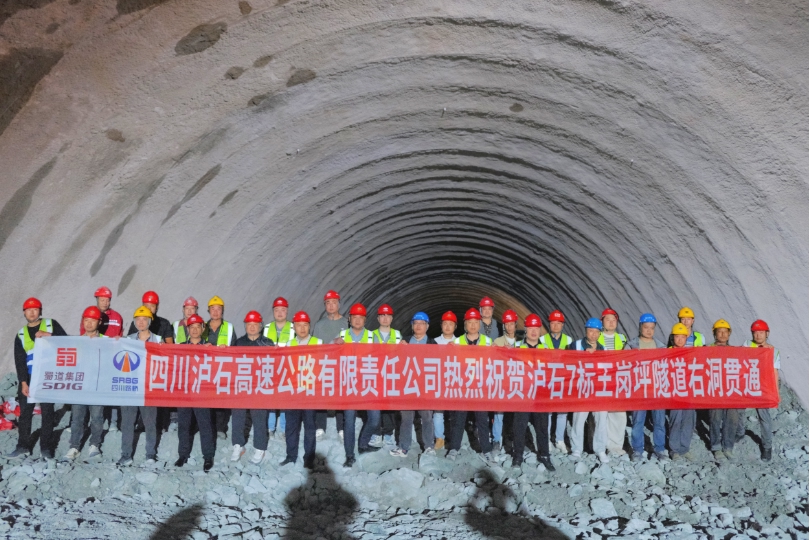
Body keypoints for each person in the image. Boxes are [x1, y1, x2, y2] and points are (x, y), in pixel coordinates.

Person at [9, 297, 67, 459]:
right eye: (29, 310)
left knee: (47, 413)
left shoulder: (50, 324)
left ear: (40, 311)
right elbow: (20, 360)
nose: (32, 312)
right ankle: (23, 446)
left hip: (48, 376)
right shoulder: (21, 334)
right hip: (29, 378)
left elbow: (67, 341)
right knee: (25, 414)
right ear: (24, 312)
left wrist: (50, 335)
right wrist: (23, 383)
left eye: (35, 309)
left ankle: (45, 448)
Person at [336, 303, 380, 467]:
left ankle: (363, 444)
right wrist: (334, 343)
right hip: (349, 383)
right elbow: (331, 355)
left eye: (360, 318)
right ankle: (349, 455)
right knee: (349, 421)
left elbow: (381, 357)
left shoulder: (372, 337)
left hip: (368, 382)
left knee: (374, 419)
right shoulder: (341, 336)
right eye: (355, 317)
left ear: (365, 320)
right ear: (350, 319)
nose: (357, 320)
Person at [447, 308, 494, 462]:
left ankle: (486, 450)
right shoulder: (456, 342)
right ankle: (454, 448)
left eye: (475, 322)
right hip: (463, 387)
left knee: (482, 420)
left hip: (480, 387)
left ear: (479, 324)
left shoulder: (488, 342)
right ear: (465, 324)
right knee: (459, 419)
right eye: (470, 322)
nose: (473, 325)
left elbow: (496, 361)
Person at [118, 306, 161, 467]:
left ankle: (150, 454)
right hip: (130, 387)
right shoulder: (127, 340)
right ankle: (126, 455)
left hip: (149, 388)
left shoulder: (158, 340)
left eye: (144, 319)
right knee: (127, 423)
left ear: (150, 321)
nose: (141, 322)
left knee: (150, 423)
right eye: (138, 319)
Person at [279, 311, 322, 469]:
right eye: (299, 325)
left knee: (309, 427)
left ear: (309, 326)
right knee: (291, 426)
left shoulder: (318, 343)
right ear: (294, 327)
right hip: (293, 392)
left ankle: (309, 458)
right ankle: (291, 456)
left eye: (305, 325)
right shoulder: (289, 344)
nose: (302, 328)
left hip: (310, 391)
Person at [231, 310, 274, 465]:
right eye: (249, 324)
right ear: (245, 326)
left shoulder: (267, 343)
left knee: (259, 417)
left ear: (260, 326)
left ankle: (260, 447)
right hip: (242, 386)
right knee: (238, 416)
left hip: (260, 387)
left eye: (255, 324)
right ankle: (238, 445)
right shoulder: (239, 343)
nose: (252, 327)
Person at [65, 306, 108, 462]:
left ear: (99, 322)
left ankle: (94, 444)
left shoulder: (107, 341)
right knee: (77, 418)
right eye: (86, 320)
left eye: (93, 320)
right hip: (80, 387)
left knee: (97, 417)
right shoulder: (76, 342)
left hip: (97, 387)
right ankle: (74, 446)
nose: (89, 323)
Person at [512, 313, 554, 471]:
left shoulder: (546, 349)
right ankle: (518, 456)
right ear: (526, 329)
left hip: (540, 395)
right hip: (523, 394)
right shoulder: (517, 348)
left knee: (542, 427)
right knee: (519, 426)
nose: (534, 331)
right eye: (531, 328)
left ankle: (545, 455)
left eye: (536, 328)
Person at [174, 314, 216, 471]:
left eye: (198, 327)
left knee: (205, 425)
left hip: (202, 393)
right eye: (192, 327)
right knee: (183, 425)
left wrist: (218, 350)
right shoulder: (180, 347)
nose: (195, 330)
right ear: (188, 329)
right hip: (185, 392)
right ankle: (183, 454)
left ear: (203, 329)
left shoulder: (209, 347)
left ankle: (208, 456)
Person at [390, 312, 434, 458]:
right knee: (406, 418)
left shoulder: (432, 344)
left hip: (425, 387)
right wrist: (399, 348)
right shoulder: (405, 341)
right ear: (412, 326)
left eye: (422, 323)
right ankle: (403, 447)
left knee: (427, 418)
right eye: (416, 323)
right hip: (407, 385)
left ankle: (429, 446)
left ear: (427, 326)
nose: (418, 326)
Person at [626, 313, 667, 462]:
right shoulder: (631, 346)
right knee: (638, 421)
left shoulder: (661, 347)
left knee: (659, 422)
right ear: (640, 327)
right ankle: (637, 450)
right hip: (639, 390)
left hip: (656, 389)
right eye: (646, 327)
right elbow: (624, 366)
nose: (649, 331)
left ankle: (659, 449)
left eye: (652, 328)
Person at [567, 317, 608, 462]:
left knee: (601, 420)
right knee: (578, 420)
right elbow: (568, 363)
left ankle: (600, 449)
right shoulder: (576, 345)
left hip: (598, 390)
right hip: (582, 389)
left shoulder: (603, 349)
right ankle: (576, 449)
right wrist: (584, 355)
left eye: (597, 332)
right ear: (586, 331)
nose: (594, 334)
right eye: (591, 331)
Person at [739, 319, 780, 461]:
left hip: (763, 388)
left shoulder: (773, 351)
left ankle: (767, 447)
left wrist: (775, 393)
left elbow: (775, 372)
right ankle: (739, 433)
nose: (758, 335)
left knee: (764, 417)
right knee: (738, 410)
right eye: (755, 332)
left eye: (761, 332)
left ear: (767, 333)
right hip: (747, 384)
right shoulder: (747, 344)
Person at [312, 290, 347, 441]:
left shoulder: (346, 323)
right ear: (325, 306)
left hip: (341, 365)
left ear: (339, 305)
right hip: (324, 365)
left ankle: (341, 428)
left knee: (341, 397)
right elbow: (315, 345)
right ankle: (320, 427)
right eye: (328, 303)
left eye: (334, 302)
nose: (331, 306)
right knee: (322, 396)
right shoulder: (320, 325)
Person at [205, 295, 236, 440]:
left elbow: (235, 348)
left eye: (218, 309)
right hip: (206, 368)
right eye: (213, 309)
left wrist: (227, 349)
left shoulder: (229, 327)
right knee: (207, 398)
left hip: (224, 368)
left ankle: (221, 428)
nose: (215, 312)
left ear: (222, 311)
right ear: (209, 311)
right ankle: (208, 427)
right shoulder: (202, 327)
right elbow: (195, 343)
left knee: (222, 399)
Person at [167, 296, 199, 433]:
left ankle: (193, 422)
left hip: (195, 364)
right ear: (183, 309)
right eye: (187, 309)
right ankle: (174, 419)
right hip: (180, 364)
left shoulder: (200, 324)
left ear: (196, 310)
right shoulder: (175, 325)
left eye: (192, 309)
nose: (189, 311)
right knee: (177, 391)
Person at [599, 308, 628, 457]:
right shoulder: (596, 337)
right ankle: (600, 444)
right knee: (601, 414)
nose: (611, 322)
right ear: (602, 322)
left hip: (617, 379)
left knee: (619, 414)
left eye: (613, 320)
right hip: (601, 379)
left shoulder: (622, 339)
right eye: (607, 320)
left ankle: (616, 445)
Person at [708, 319, 739, 462]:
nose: (722, 334)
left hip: (731, 390)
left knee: (731, 419)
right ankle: (716, 447)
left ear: (729, 334)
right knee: (715, 419)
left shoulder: (735, 351)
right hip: (715, 390)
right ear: (714, 333)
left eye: (725, 332)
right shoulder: (707, 350)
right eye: (719, 332)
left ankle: (728, 447)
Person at [372, 304, 402, 448]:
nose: (385, 318)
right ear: (378, 318)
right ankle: (376, 433)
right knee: (375, 405)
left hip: (391, 374)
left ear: (392, 318)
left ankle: (388, 434)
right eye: (382, 315)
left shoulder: (397, 335)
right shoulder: (371, 335)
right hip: (376, 374)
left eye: (388, 315)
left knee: (389, 406)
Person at [543, 310, 573, 454]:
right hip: (548, 379)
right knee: (548, 411)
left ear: (562, 325)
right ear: (549, 324)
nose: (555, 326)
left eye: (558, 323)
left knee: (562, 412)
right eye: (553, 323)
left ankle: (559, 440)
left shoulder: (569, 340)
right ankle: (547, 440)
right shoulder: (542, 340)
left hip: (562, 379)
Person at [265, 297, 294, 441]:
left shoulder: (294, 328)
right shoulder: (266, 328)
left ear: (287, 311)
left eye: (283, 310)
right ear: (273, 312)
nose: (280, 313)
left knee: (284, 399)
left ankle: (284, 428)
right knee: (270, 398)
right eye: (277, 310)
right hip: (270, 367)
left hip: (287, 368)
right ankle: (270, 428)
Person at [491, 309, 519, 454]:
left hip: (518, 382)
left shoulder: (521, 342)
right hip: (502, 381)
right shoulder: (497, 342)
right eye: (507, 324)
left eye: (511, 324)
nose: (509, 327)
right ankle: (497, 440)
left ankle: (514, 438)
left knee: (517, 413)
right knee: (499, 412)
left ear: (515, 325)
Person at [668, 323, 696, 460]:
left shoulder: (691, 354)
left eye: (682, 337)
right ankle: (674, 449)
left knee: (688, 421)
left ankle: (685, 448)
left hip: (688, 392)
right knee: (676, 420)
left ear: (686, 338)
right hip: (674, 393)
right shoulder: (666, 353)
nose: (680, 340)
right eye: (677, 336)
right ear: (673, 338)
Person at [431, 311, 458, 451]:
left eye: (450, 324)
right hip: (439, 380)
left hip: (455, 380)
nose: (447, 327)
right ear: (441, 325)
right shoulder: (433, 342)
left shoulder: (460, 342)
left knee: (454, 412)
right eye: (445, 324)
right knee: (438, 412)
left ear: (455, 326)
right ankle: (439, 438)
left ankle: (453, 440)